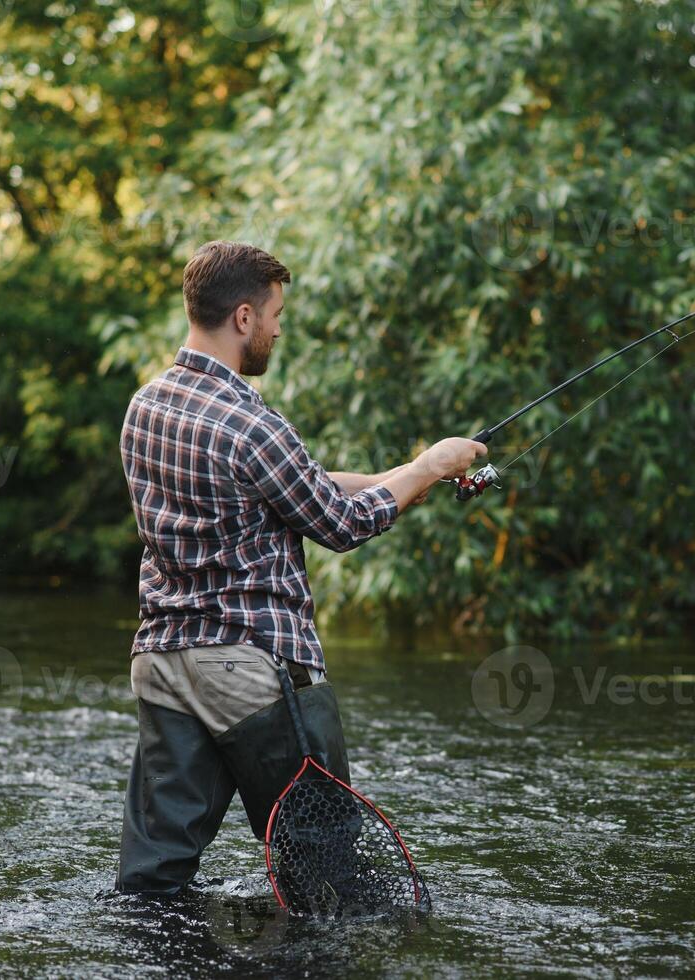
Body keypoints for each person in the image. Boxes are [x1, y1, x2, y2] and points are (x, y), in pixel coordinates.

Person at [114, 240, 485, 894]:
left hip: (164, 665)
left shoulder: (145, 407)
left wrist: (404, 476)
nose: (281, 328)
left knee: (153, 882)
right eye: (277, 313)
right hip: (249, 670)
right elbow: (339, 526)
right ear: (245, 317)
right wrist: (428, 468)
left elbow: (296, 487)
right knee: (327, 875)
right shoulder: (250, 424)